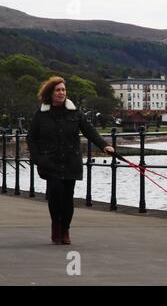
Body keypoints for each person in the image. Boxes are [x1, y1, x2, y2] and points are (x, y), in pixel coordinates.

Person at [26, 76, 115, 245]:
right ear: (50, 93)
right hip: (50, 162)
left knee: (67, 198)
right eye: (58, 90)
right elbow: (32, 138)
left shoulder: (75, 112)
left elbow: (89, 131)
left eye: (63, 90)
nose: (61, 93)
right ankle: (56, 227)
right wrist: (37, 158)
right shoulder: (41, 114)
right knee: (55, 195)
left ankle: (65, 229)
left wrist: (104, 146)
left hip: (70, 161)